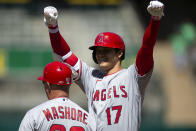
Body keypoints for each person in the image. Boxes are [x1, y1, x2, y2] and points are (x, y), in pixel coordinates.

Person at [43, 1, 164, 130]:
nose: (100, 54)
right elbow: (63, 54)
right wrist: (53, 27)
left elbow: (147, 47)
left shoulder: (133, 76)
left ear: (119, 53)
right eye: (98, 51)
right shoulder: (91, 77)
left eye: (106, 50)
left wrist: (155, 20)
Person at [18, 61, 92, 131]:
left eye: (43, 82)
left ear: (48, 84)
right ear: (69, 84)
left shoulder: (35, 115)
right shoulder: (88, 119)